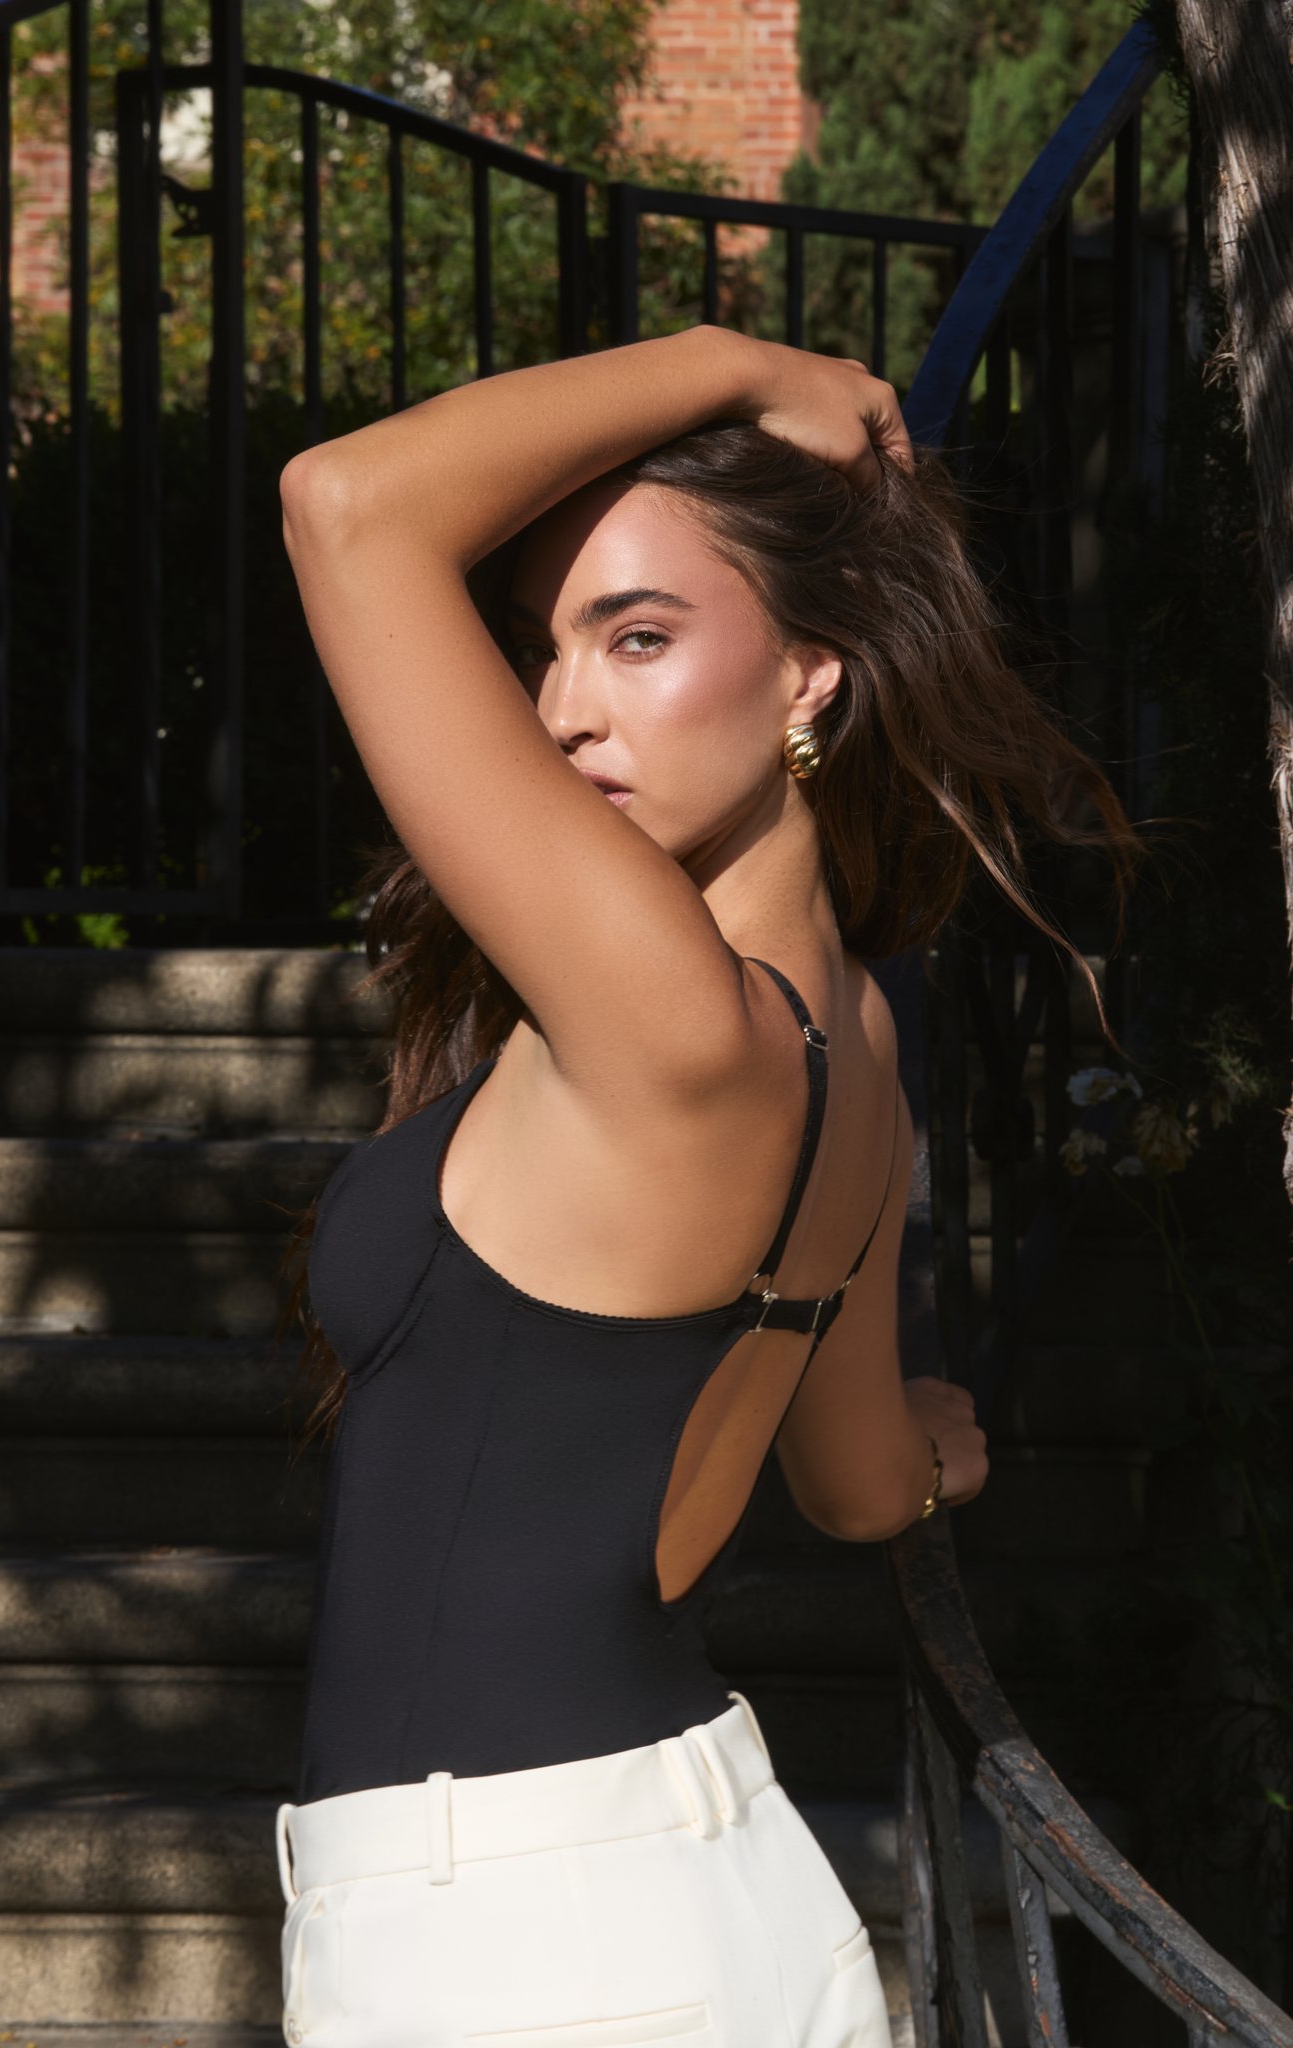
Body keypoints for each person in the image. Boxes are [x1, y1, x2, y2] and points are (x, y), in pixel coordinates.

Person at [272, 325, 1134, 2047]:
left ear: (811, 675)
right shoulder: (856, 1036)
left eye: (639, 637)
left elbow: (345, 504)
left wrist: (733, 366)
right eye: (545, 646)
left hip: (507, 1939)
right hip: (722, 1883)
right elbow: (855, 1481)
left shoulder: (665, 1013)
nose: (561, 711)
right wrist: (932, 1448)